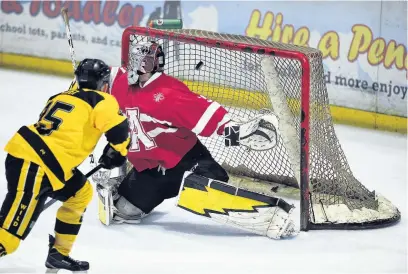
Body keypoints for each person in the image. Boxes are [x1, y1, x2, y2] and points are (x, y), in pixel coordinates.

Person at [97, 40, 297, 239]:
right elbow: (104, 77)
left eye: (146, 63)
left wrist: (237, 133)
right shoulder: (120, 84)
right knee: (123, 209)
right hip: (150, 171)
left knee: (208, 194)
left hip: (187, 161)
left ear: (157, 63)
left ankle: (273, 217)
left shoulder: (168, 93)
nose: (140, 68)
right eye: (137, 61)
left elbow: (205, 113)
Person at [0, 59, 130, 271]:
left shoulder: (60, 96)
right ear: (104, 82)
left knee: (80, 194)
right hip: (35, 165)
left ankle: (58, 255)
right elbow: (119, 129)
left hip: (44, 163)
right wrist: (117, 152)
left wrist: (112, 152)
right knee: (9, 238)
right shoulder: (103, 100)